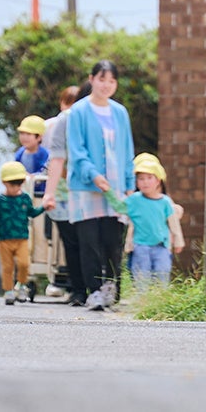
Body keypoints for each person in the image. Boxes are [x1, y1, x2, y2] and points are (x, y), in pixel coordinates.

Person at [65, 60, 135, 311]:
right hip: (86, 187)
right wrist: (93, 175)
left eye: (112, 81)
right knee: (89, 240)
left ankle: (111, 288)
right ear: (91, 79)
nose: (106, 85)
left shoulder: (120, 113)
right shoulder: (79, 111)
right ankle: (93, 290)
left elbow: (127, 150)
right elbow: (76, 149)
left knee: (112, 239)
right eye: (102, 79)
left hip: (114, 187)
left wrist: (129, 184)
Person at [40, 85, 82, 303]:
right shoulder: (54, 125)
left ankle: (77, 288)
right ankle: (71, 286)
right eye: (69, 102)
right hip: (62, 191)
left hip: (76, 191)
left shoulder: (80, 123)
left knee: (75, 242)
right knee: (67, 241)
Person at [0, 160, 46, 305]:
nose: (15, 188)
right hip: (5, 239)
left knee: (24, 264)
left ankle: (21, 285)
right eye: (11, 184)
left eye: (18, 184)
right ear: (4, 182)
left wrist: (44, 207)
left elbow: (31, 213)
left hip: (22, 238)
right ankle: (8, 291)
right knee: (7, 267)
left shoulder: (25, 198)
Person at [122, 155, 183, 289]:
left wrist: (177, 239)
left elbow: (174, 216)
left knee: (161, 273)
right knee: (141, 274)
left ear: (158, 180)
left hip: (160, 244)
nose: (145, 182)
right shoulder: (135, 200)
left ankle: (157, 298)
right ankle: (142, 297)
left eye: (150, 177)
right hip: (140, 245)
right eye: (141, 178)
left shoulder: (164, 201)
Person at [14, 114, 50, 183]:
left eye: (28, 134)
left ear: (39, 137)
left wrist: (31, 177)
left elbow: (45, 172)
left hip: (40, 192)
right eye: (22, 133)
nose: (24, 137)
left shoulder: (44, 154)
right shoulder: (20, 153)